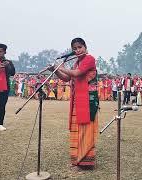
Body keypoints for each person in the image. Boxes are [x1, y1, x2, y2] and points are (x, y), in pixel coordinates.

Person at [48, 38, 99, 168]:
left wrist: (62, 67)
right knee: (78, 129)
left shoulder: (89, 59)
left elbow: (77, 73)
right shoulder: (77, 62)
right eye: (75, 49)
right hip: (78, 99)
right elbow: (67, 77)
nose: (77, 50)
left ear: (85, 47)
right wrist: (55, 70)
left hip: (88, 100)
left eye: (79, 47)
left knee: (86, 128)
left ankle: (86, 161)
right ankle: (78, 159)